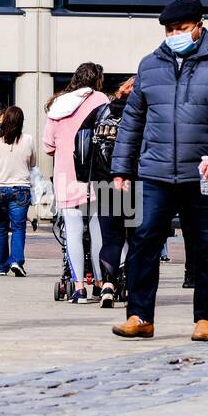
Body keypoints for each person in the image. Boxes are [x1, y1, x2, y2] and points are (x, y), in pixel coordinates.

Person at [110, 0, 208, 341]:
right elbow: (133, 120)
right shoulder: (149, 66)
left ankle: (205, 320)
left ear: (199, 26)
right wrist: (121, 169)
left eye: (181, 29)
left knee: (203, 246)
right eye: (169, 29)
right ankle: (140, 316)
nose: (174, 34)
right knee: (143, 242)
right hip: (154, 173)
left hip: (202, 173)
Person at [44, 63, 112, 303]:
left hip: (65, 175)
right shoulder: (101, 99)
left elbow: (48, 146)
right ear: (98, 80)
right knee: (97, 230)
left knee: (71, 232)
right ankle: (103, 283)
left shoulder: (57, 105)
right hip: (95, 173)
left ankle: (79, 287)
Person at [78, 76, 134, 306]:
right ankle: (130, 286)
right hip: (134, 182)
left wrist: (83, 174)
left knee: (111, 238)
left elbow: (81, 140)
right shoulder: (142, 112)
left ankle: (108, 285)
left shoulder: (101, 112)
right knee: (136, 238)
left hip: (104, 183)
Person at [0, 105, 36, 276]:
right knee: (18, 228)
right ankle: (16, 261)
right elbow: (32, 163)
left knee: (0, 228)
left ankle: (1, 266)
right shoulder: (28, 139)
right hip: (20, 189)